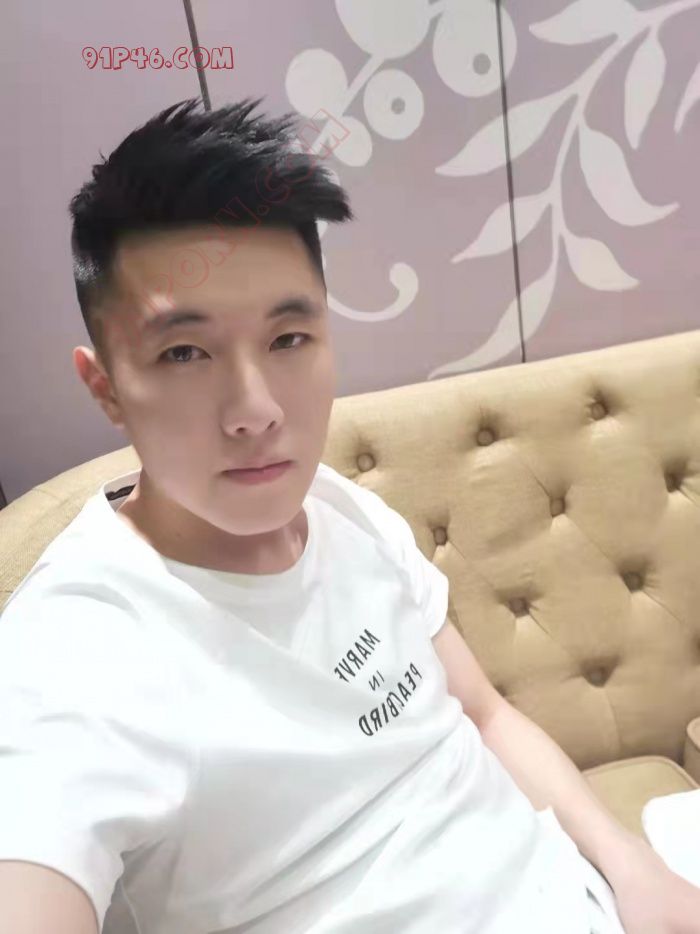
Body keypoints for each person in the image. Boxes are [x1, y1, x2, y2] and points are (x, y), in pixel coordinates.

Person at [0, 96, 698, 934]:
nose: (255, 411)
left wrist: (633, 870)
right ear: (106, 386)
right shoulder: (76, 647)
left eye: (287, 339)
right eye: (184, 352)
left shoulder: (340, 506)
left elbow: (484, 715)